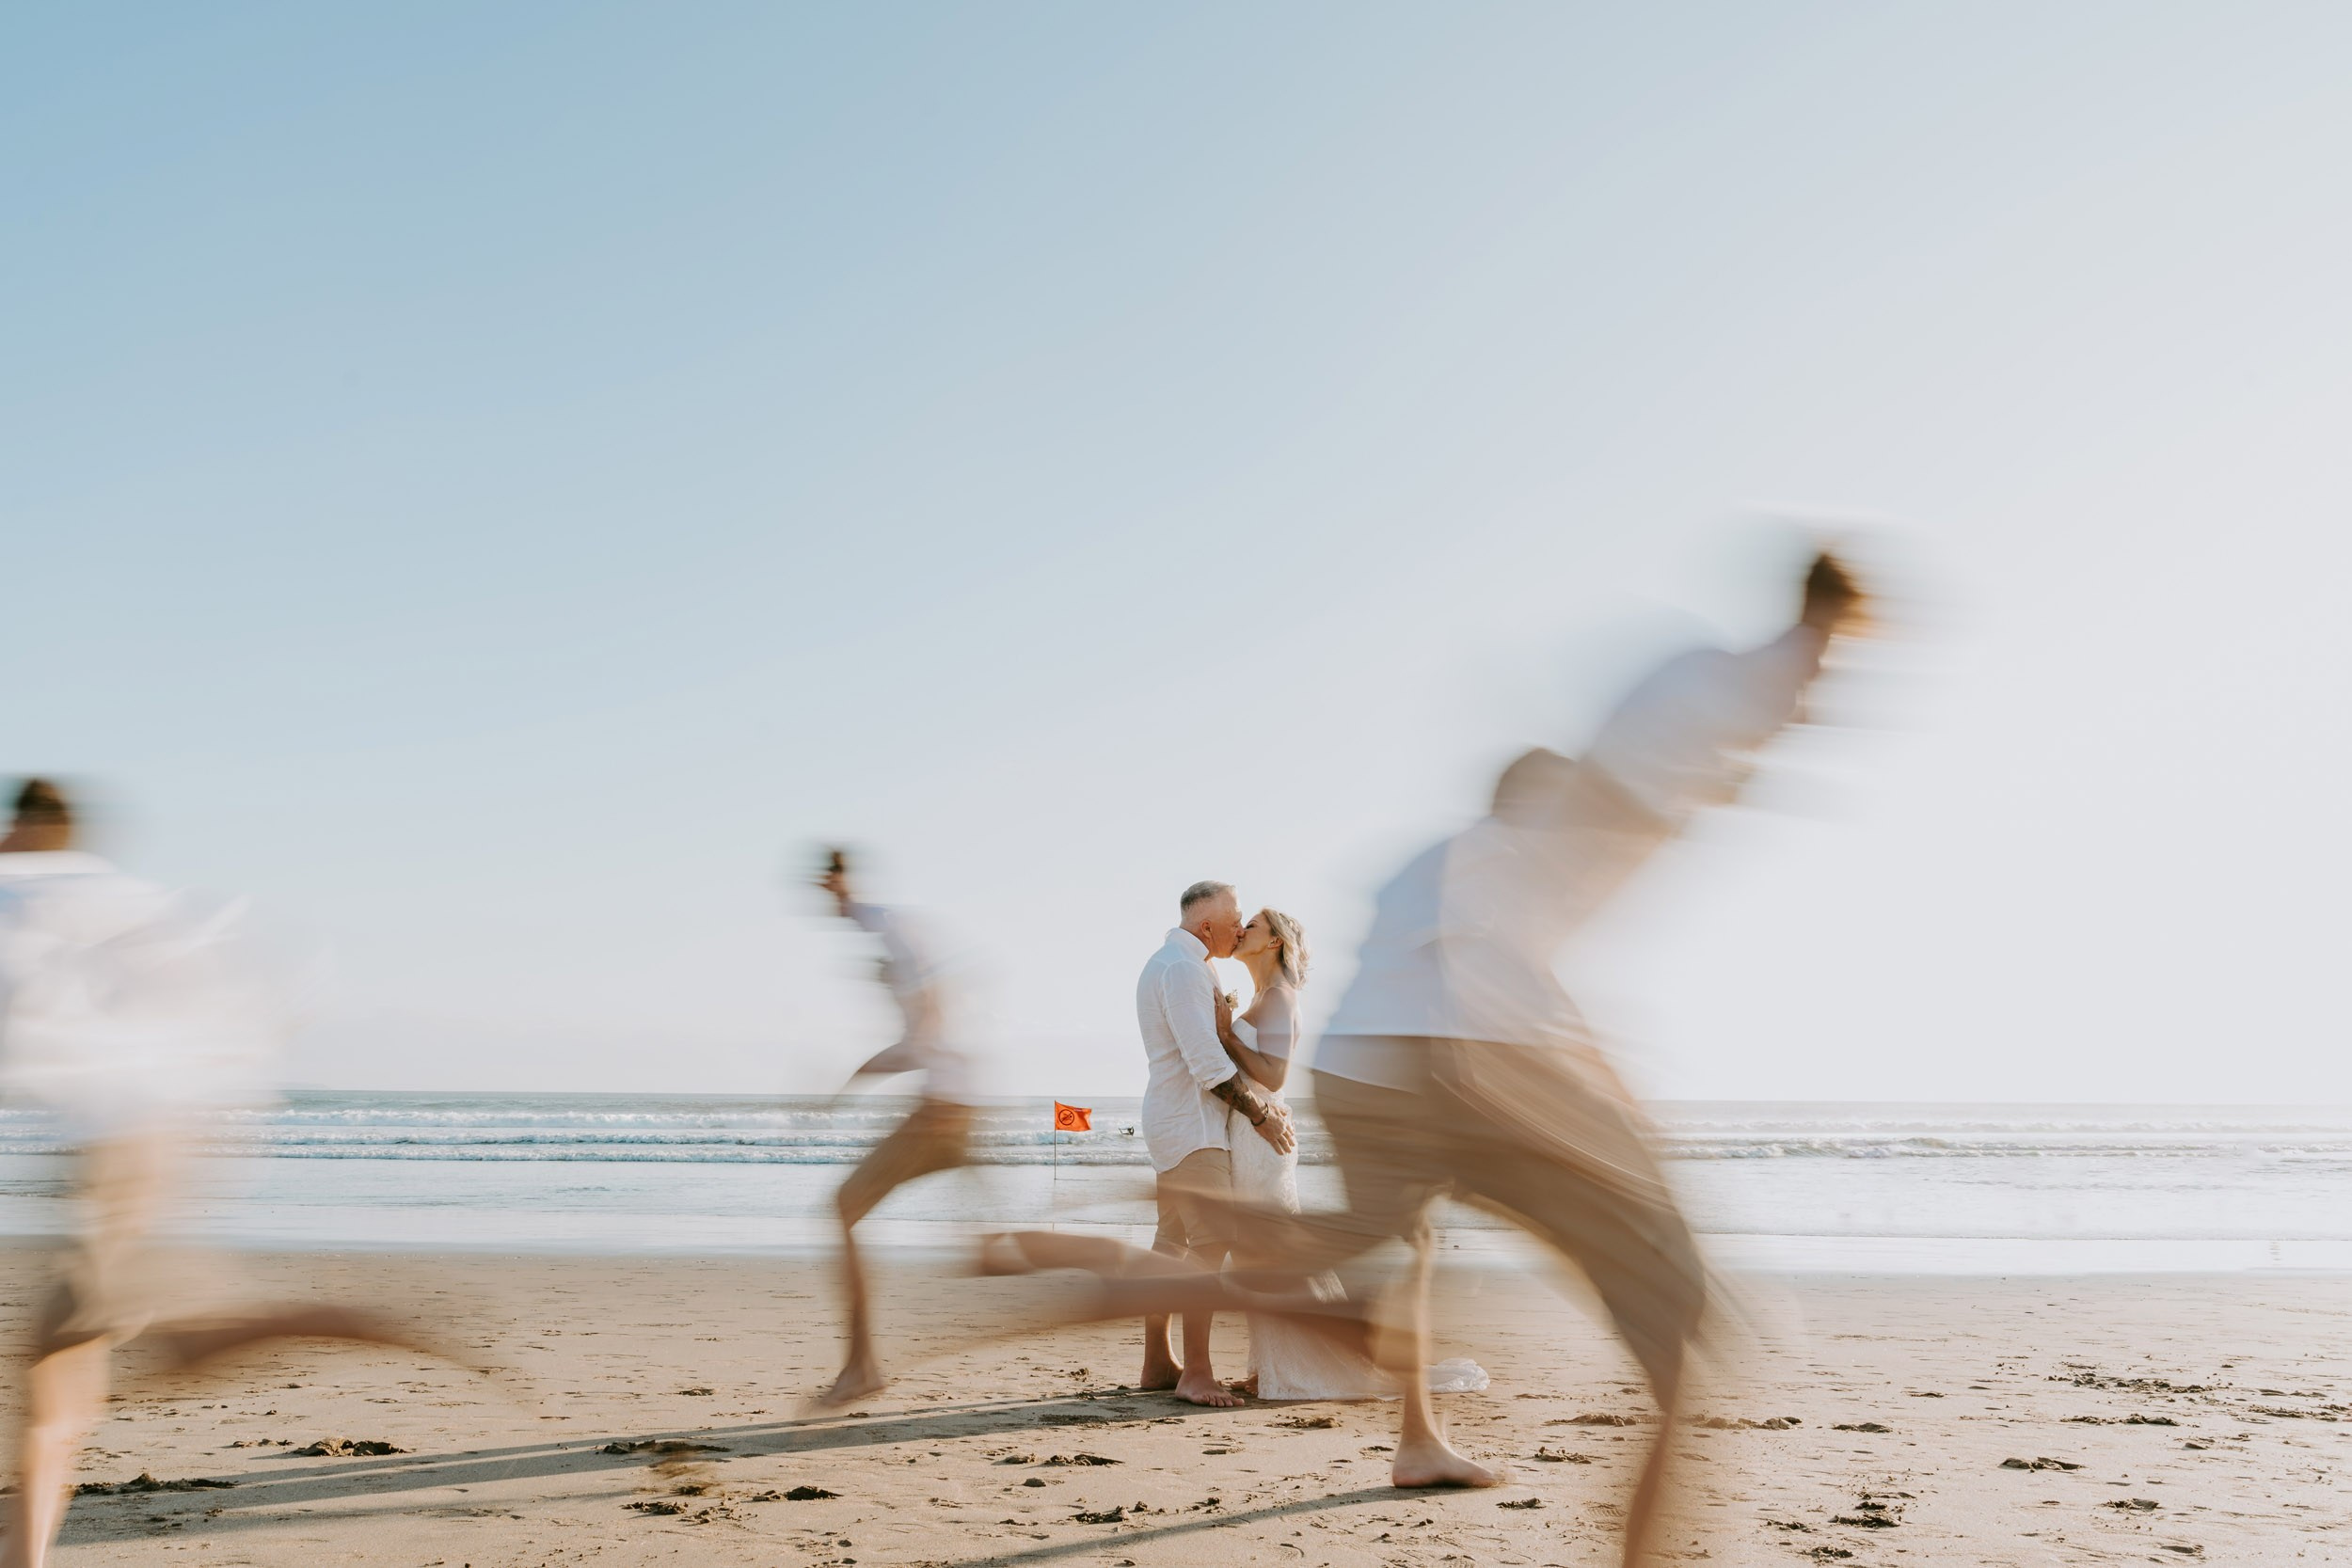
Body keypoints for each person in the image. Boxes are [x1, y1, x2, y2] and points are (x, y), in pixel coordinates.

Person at [997, 550, 1871, 1568]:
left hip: (1369, 1069)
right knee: (1679, 1330)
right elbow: (1506, 968)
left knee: (1364, 1242)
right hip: (1457, 1061)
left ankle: (1382, 1417)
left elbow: (1495, 965)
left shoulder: (1447, 856)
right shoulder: (1592, 801)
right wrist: (1810, 638)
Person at [0, 780, 446, 1568]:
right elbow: (269, 978)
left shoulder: (34, 888)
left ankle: (332, 1314)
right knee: (58, 1381)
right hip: (154, 1146)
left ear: (32, 827)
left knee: (128, 1357)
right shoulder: (127, 900)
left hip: (120, 1153)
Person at [809, 847, 984, 1407]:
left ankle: (861, 1368)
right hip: (956, 1101)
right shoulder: (899, 937)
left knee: (843, 1206)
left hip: (943, 1109)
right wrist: (848, 1084)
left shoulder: (893, 932)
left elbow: (924, 1036)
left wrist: (849, 1082)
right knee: (985, 1248)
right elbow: (921, 1037)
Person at [1134, 880, 1293, 1405]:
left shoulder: (1182, 963)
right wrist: (1261, 1114)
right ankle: (1196, 1373)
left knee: (1171, 1243)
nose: (1239, 926)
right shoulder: (1182, 970)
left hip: (1179, 1122)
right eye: (1234, 918)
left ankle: (1159, 1361)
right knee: (1210, 1241)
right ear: (1207, 926)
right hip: (1191, 1125)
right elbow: (1207, 1065)